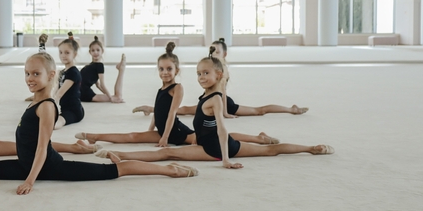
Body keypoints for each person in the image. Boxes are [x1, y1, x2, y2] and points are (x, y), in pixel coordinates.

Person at [0, 48, 199, 194]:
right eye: (26, 74)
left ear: (51, 76)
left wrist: (31, 180)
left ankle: (168, 169)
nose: (30, 79)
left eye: (36, 74)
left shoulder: (47, 106)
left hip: (50, 167)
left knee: (118, 171)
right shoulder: (35, 100)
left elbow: (44, 147)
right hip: (24, 162)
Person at [95, 46, 333, 168]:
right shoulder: (205, 95)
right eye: (199, 73)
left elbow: (221, 129)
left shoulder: (216, 99)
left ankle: (312, 148)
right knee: (167, 152)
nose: (201, 77)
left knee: (273, 151)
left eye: (206, 73)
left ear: (218, 74)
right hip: (208, 144)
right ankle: (121, 154)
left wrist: (226, 160)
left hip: (217, 149)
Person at [75, 42, 279, 149]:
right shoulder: (161, 88)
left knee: (218, 137)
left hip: (179, 133)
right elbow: (158, 112)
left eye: (169, 69)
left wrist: (164, 139)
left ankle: (258, 139)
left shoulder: (177, 88)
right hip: (164, 130)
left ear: (176, 70)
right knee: (133, 136)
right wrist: (150, 130)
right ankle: (93, 137)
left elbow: (172, 114)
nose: (165, 73)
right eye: (162, 69)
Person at [132, 38, 308, 118]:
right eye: (212, 50)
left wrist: (224, 112)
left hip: (223, 101)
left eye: (217, 51)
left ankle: (290, 109)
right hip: (209, 99)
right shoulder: (212, 66)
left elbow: (222, 91)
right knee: (183, 109)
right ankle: (152, 108)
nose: (214, 53)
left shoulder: (222, 69)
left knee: (258, 110)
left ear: (224, 53)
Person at [79, 36, 126, 103]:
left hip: (79, 92)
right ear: (90, 52)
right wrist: (111, 98)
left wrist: (107, 96)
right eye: (93, 50)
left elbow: (98, 85)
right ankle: (121, 70)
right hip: (85, 94)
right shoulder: (99, 66)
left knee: (115, 96)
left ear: (102, 51)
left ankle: (121, 69)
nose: (95, 52)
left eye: (98, 50)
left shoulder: (90, 66)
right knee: (118, 97)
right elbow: (102, 84)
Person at [55, 32, 84, 129]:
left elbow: (59, 93)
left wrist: (50, 107)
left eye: (67, 53)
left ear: (74, 54)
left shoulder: (73, 73)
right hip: (64, 109)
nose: (63, 55)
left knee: (54, 124)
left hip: (74, 111)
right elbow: (55, 89)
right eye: (61, 52)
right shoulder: (63, 72)